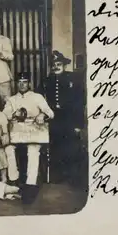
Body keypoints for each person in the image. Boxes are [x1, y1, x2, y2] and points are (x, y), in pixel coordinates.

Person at [2, 72, 54, 204]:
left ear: (29, 83)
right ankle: (13, 182)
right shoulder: (12, 99)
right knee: (8, 148)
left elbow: (50, 113)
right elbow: (4, 115)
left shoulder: (37, 97)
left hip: (34, 132)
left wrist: (42, 114)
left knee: (33, 150)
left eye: (24, 82)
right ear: (16, 84)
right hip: (17, 133)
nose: (22, 84)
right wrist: (14, 113)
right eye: (19, 82)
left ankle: (30, 186)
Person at [39, 51, 85, 186]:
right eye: (54, 65)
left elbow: (79, 102)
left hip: (69, 118)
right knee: (56, 146)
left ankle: (74, 177)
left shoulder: (72, 79)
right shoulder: (47, 81)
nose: (56, 67)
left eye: (59, 64)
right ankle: (58, 175)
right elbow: (39, 99)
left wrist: (78, 124)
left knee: (72, 146)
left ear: (64, 66)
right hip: (54, 118)